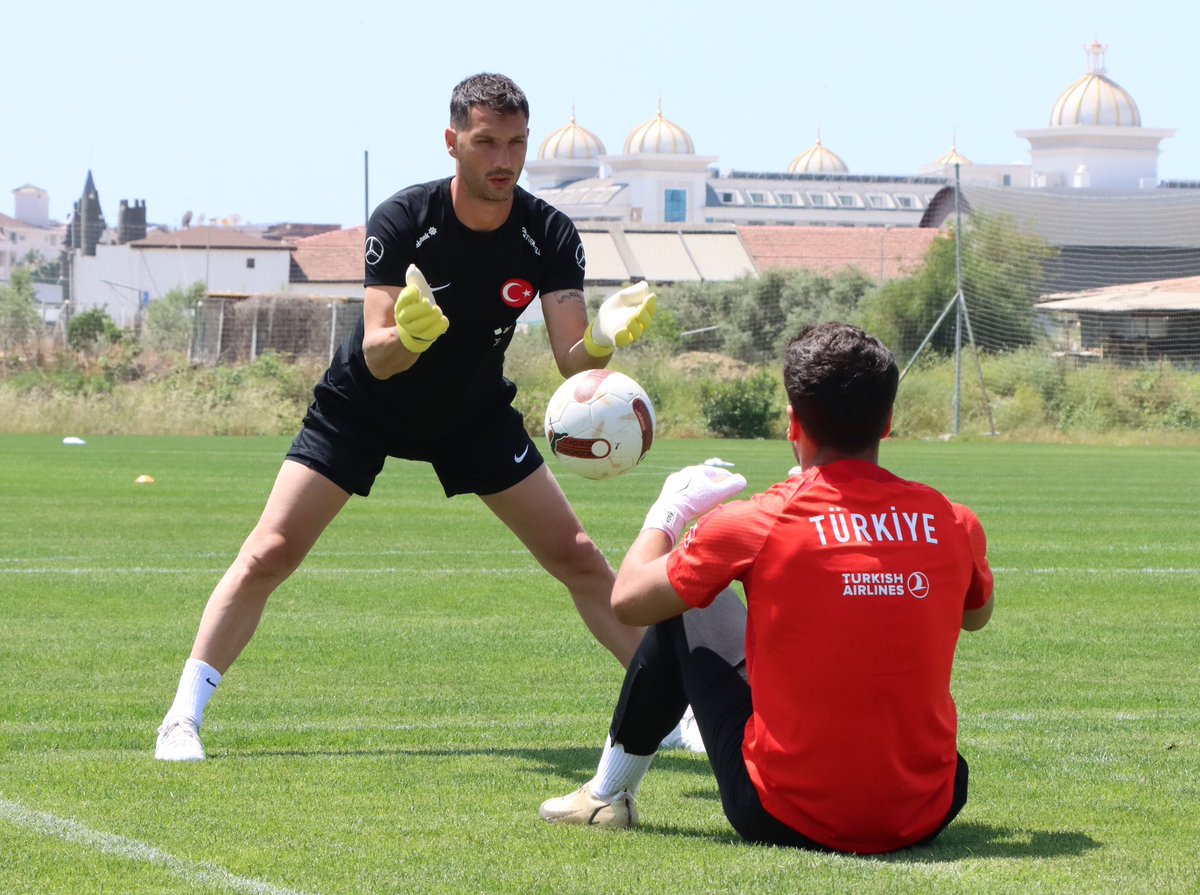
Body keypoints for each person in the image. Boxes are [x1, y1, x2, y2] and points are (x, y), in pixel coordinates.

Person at [155, 72, 656, 762]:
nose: (503, 159)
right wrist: (411, 335)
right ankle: (182, 716)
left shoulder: (549, 232)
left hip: (472, 413)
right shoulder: (402, 219)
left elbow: (573, 361)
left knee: (577, 556)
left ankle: (671, 707)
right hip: (366, 405)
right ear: (453, 141)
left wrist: (603, 338)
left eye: (515, 143)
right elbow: (379, 355)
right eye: (485, 142)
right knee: (270, 550)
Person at [539, 322, 995, 855]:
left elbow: (629, 600)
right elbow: (975, 617)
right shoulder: (951, 519)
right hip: (926, 812)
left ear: (792, 422)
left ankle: (607, 794)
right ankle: (606, 795)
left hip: (783, 815)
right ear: (888, 421)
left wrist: (669, 513)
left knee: (683, 602)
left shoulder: (755, 521)